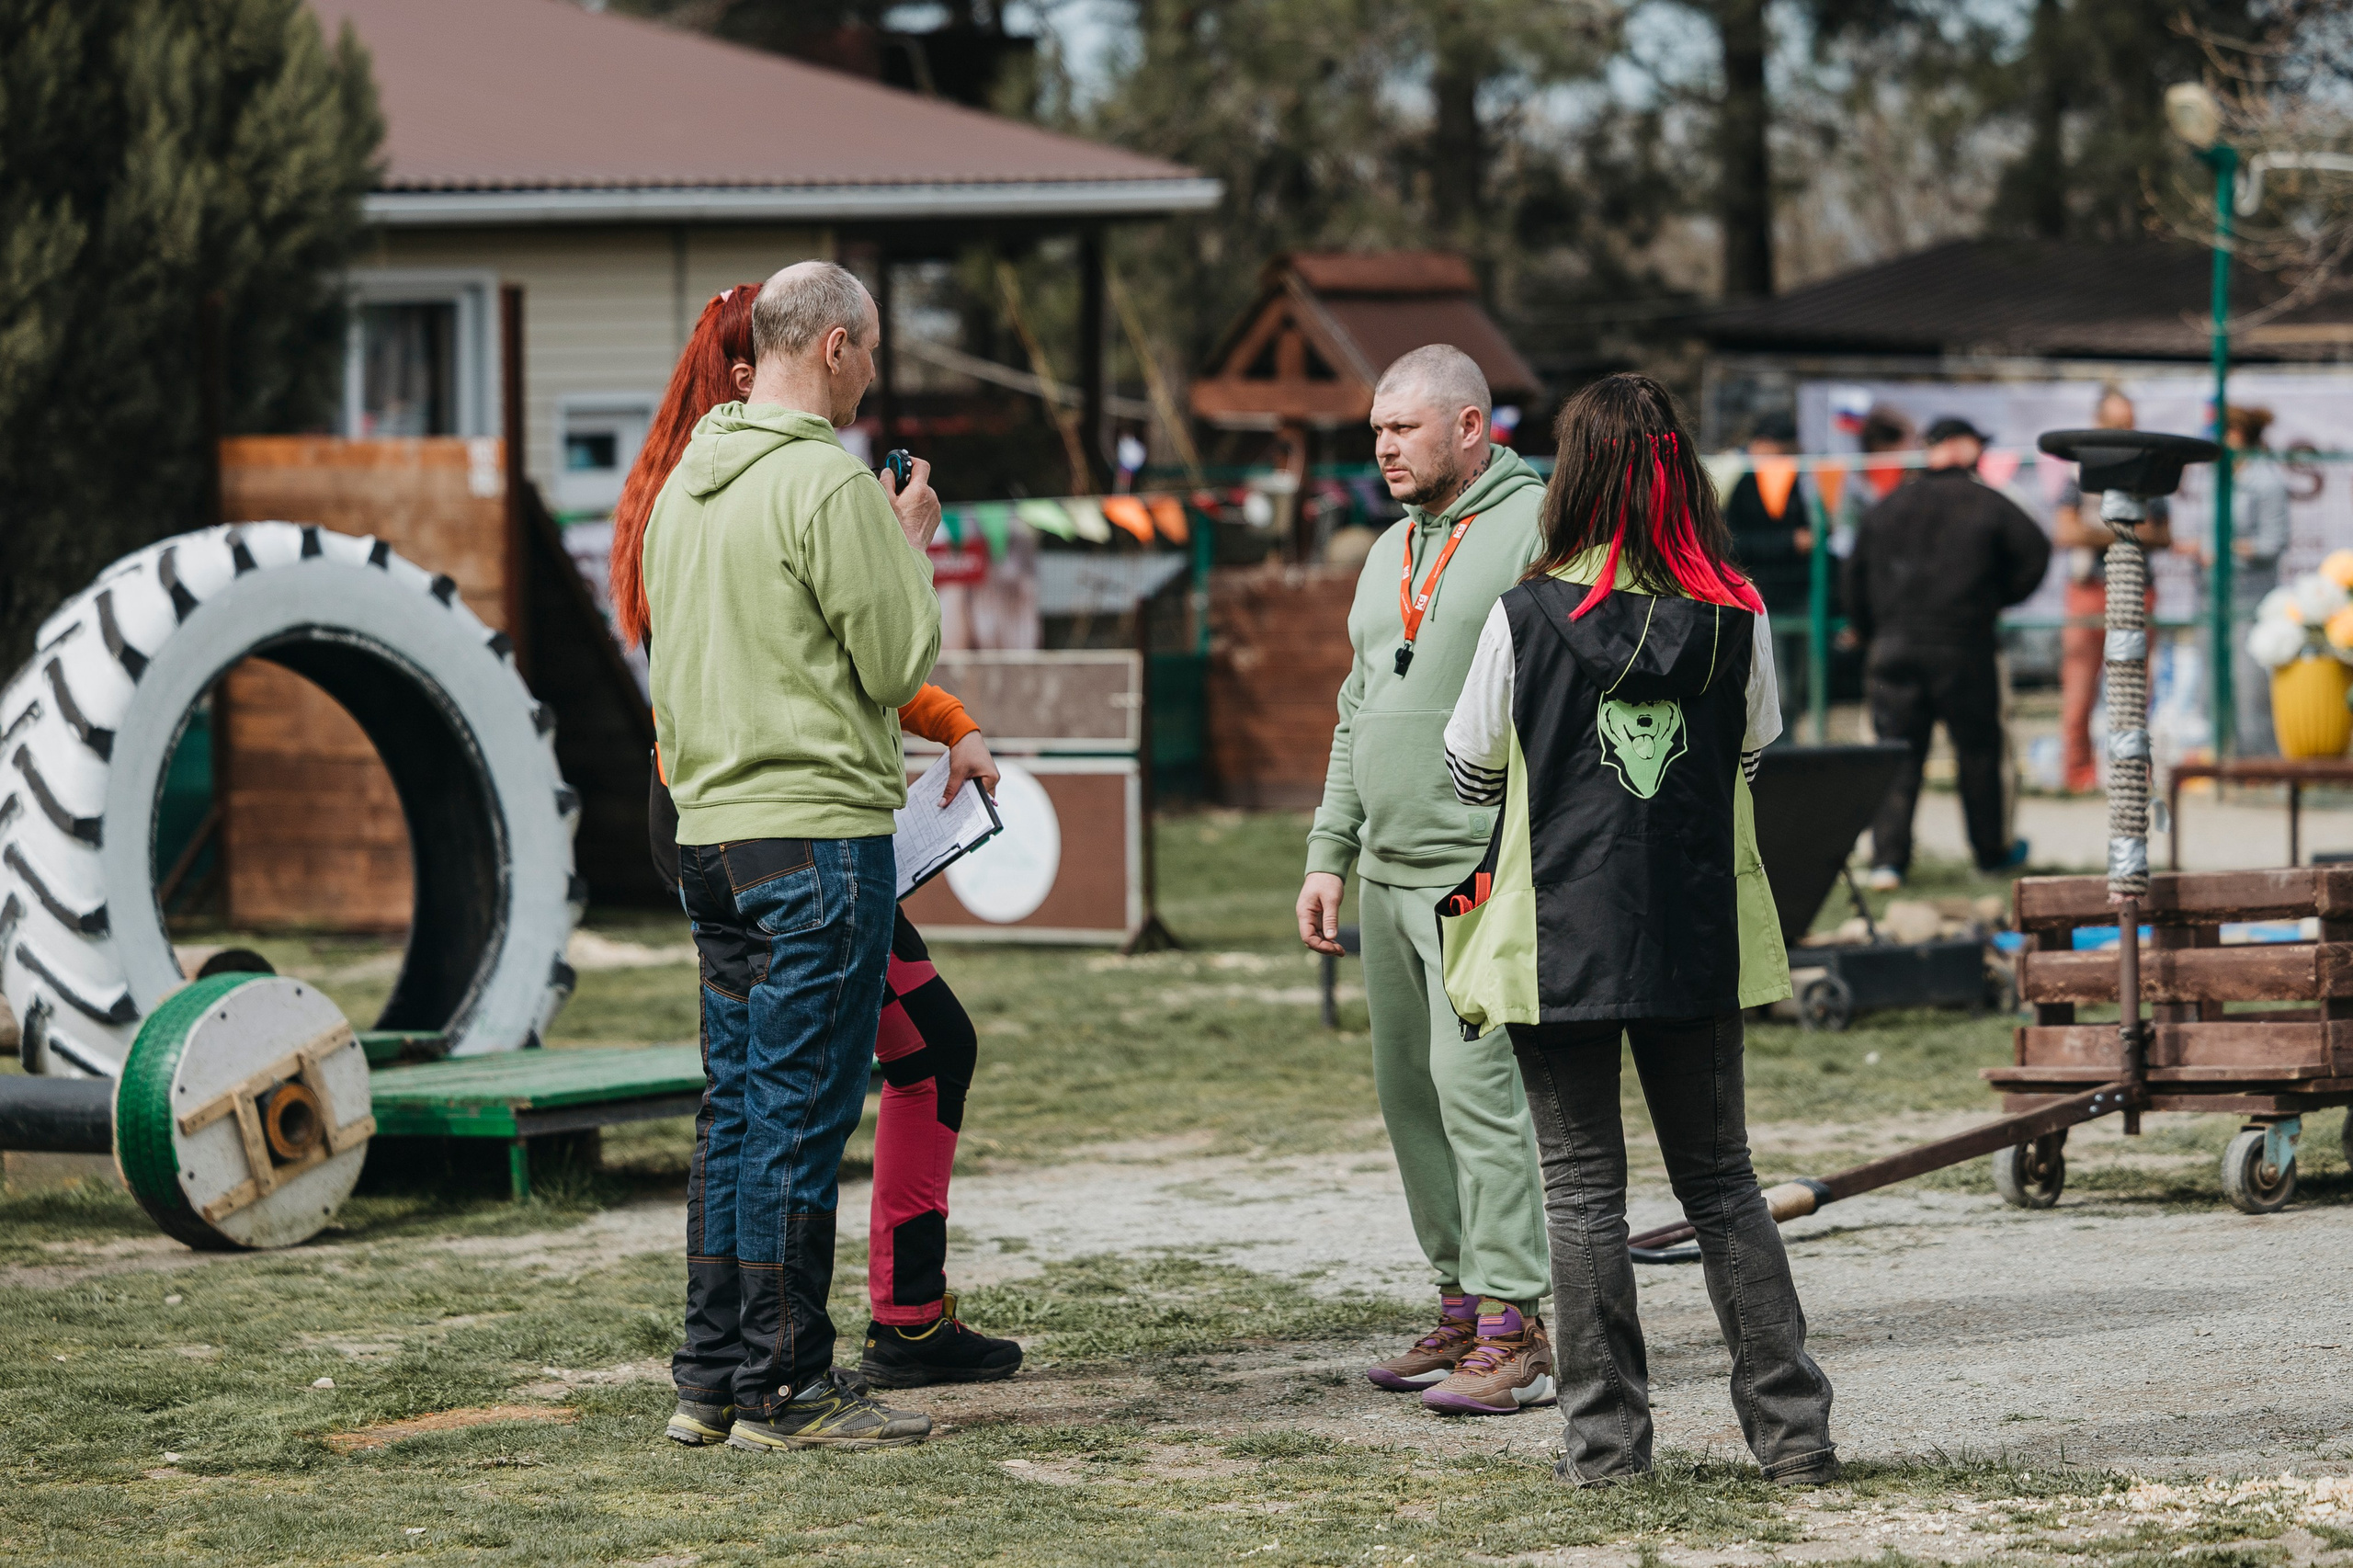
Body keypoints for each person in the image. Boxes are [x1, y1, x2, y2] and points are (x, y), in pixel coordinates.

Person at [611, 283, 1024, 1441]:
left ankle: (711, 1379)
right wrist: (906, 545)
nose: (874, 377)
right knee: (798, 1118)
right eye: (872, 354)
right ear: (833, 347)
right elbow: (896, 656)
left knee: (735, 1115)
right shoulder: (831, 484)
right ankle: (787, 1385)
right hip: (816, 838)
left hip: (710, 836)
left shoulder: (685, 484)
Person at [1437, 371, 1829, 1489]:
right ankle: (1793, 1437)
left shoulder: (1524, 615)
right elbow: (1750, 758)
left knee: (1578, 1190)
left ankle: (1606, 1449)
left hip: (1556, 937)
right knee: (1722, 1184)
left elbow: (1470, 772)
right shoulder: (1737, 611)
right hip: (1696, 932)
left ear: (1573, 481)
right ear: (1683, 480)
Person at [1294, 345, 1555, 1416]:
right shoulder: (1385, 549)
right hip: (1387, 873)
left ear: (1469, 427)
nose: (1383, 446)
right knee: (1409, 1096)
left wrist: (1520, 847)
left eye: (1403, 427)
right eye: (1374, 431)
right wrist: (1327, 851)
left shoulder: (1538, 528)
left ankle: (1517, 1324)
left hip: (1479, 869)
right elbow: (1359, 708)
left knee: (1476, 1093)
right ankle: (1457, 1302)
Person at [1845, 415, 2051, 888]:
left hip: (1892, 648)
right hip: (1967, 645)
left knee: (1893, 754)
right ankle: (1992, 852)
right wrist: (1995, 599)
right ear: (1962, 447)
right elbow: (2035, 554)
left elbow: (1851, 578)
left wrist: (1870, 629)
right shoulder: (1990, 503)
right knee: (1981, 753)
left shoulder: (1888, 506)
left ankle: (1887, 862)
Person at [2053, 389, 2173, 792]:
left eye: (2130, 423)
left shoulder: (2150, 474)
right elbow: (2066, 531)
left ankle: (2134, 773)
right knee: (2079, 688)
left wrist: (2101, 533)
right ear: (2099, 424)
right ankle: (2078, 776)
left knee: (2135, 691)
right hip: (2087, 589)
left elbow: (2162, 534)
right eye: (2118, 424)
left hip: (2138, 590)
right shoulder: (2078, 473)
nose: (2126, 431)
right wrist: (2125, 533)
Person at [2220, 404, 2292, 756]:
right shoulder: (2221, 477)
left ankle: (2262, 766)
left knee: (2252, 689)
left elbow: (2273, 543)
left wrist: (2226, 550)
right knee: (2217, 687)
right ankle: (2225, 762)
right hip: (2214, 596)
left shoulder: (2268, 482)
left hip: (2250, 599)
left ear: (2235, 436)